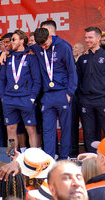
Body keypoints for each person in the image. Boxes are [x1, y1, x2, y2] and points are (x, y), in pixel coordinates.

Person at [33, 28, 77, 159]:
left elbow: (72, 71)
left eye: (45, 43)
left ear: (50, 37)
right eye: (40, 45)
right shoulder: (37, 48)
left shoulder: (63, 46)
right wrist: (6, 53)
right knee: (47, 130)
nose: (43, 47)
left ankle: (64, 157)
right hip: (47, 95)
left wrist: (69, 92)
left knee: (65, 128)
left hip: (63, 92)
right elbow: (21, 50)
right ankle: (49, 158)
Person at [76, 27, 105, 153]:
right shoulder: (83, 58)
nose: (87, 40)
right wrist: (81, 98)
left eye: (90, 37)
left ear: (98, 38)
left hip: (103, 100)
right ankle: (91, 162)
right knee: (89, 133)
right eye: (86, 37)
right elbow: (78, 80)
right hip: (86, 101)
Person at [0, 30, 41, 148]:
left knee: (30, 129)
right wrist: (3, 97)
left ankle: (33, 159)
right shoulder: (7, 57)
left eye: (14, 39)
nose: (11, 42)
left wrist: (32, 97)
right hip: (9, 99)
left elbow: (37, 80)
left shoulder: (30, 57)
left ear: (22, 40)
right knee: (11, 129)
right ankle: (13, 157)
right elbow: (2, 80)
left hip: (26, 98)